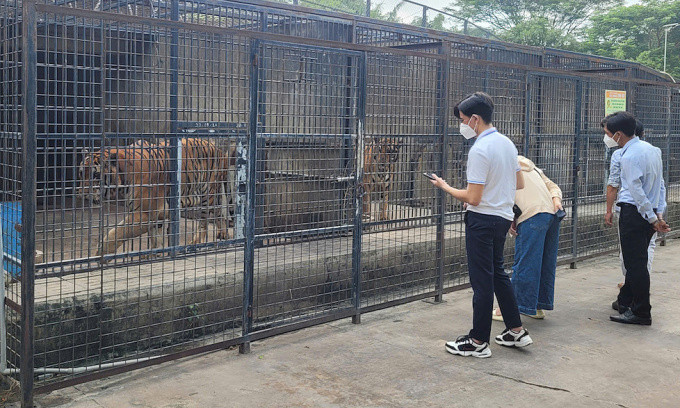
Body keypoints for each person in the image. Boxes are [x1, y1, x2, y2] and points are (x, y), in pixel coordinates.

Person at [429, 92, 532, 358]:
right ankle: (516, 331)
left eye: (463, 120)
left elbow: (473, 197)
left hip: (482, 220)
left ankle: (477, 341)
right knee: (498, 274)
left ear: (475, 119)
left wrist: (445, 186)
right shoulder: (507, 143)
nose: (462, 125)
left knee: (482, 281)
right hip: (502, 218)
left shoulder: (480, 149)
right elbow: (518, 183)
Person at [601, 111, 670, 326]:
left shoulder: (628, 156)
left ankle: (641, 311)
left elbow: (637, 191)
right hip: (648, 213)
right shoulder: (653, 150)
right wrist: (658, 213)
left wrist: (651, 217)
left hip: (635, 213)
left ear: (619, 134)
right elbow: (659, 185)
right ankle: (626, 301)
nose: (608, 138)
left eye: (609, 134)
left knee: (635, 264)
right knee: (636, 261)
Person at [492, 155, 563, 321]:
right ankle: (537, 306)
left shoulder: (500, 166)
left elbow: (500, 197)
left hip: (532, 215)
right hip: (552, 213)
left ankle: (512, 308)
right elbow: (553, 186)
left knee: (525, 263)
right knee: (545, 263)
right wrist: (556, 199)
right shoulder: (529, 166)